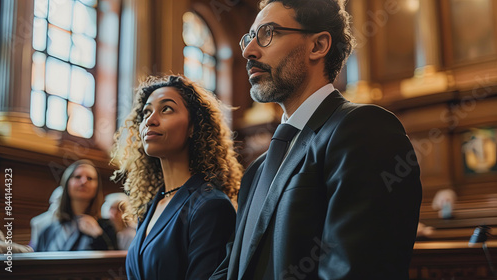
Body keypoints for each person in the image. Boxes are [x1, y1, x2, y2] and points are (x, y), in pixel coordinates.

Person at [210, 0, 422, 279]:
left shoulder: (363, 130)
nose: (249, 51)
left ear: (318, 46)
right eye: (249, 38)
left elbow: (356, 270)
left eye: (267, 34)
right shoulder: (257, 170)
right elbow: (232, 269)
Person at [111, 75, 242, 279]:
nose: (150, 120)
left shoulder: (211, 205)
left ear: (193, 127)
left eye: (166, 109)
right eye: (146, 112)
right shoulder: (149, 207)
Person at [35, 160, 118, 251]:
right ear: (67, 183)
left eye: (90, 178)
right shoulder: (48, 230)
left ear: (97, 187)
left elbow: (112, 261)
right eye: (77, 177)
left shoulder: (106, 228)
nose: (83, 181)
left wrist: (98, 236)